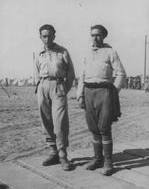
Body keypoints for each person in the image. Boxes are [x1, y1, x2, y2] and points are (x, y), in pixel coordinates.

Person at [77, 25, 126, 175]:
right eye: (92, 35)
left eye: (98, 35)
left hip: (104, 92)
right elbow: (82, 76)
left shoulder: (110, 52)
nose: (95, 38)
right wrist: (80, 94)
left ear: (104, 36)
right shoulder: (87, 53)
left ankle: (108, 162)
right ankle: (98, 159)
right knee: (93, 128)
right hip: (88, 92)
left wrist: (113, 91)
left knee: (104, 127)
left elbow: (121, 74)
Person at [34, 24, 75, 171]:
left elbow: (71, 74)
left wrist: (64, 90)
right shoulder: (38, 54)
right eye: (44, 36)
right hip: (43, 87)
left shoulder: (62, 51)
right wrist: (40, 87)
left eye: (50, 35)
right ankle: (53, 153)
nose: (47, 38)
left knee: (60, 122)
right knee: (46, 121)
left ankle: (63, 155)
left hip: (58, 86)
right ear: (40, 37)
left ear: (54, 36)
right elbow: (36, 73)